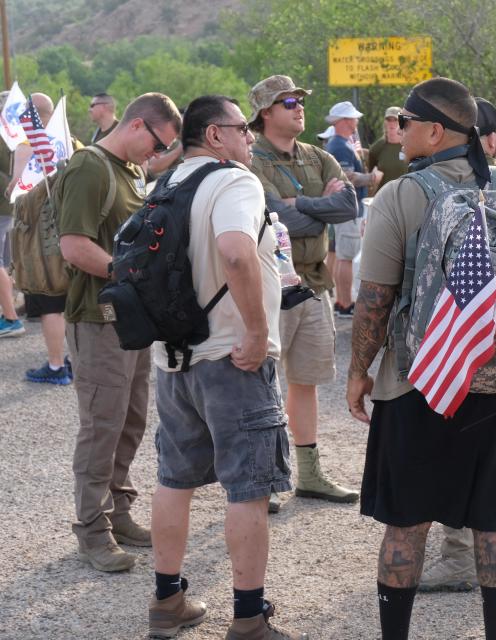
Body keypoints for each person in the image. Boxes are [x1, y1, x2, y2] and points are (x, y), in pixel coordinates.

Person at [346, 76, 496, 640]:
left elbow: (374, 298)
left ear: (436, 130)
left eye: (407, 123)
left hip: (418, 384)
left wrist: (358, 372)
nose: (398, 132)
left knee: (405, 526)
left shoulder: (399, 194)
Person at [146, 94, 305, 640]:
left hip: (174, 359)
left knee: (174, 480)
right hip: (233, 359)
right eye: (242, 128)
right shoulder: (233, 181)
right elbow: (236, 252)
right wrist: (258, 333)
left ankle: (167, 602)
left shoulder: (161, 185)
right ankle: (249, 618)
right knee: (249, 489)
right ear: (214, 135)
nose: (250, 138)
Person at [57, 92, 181, 571]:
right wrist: (129, 275)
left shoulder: (130, 169)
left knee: (129, 421)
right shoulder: (90, 167)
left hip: (129, 320)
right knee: (101, 425)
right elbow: (73, 247)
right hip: (97, 318)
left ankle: (119, 511)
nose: (156, 156)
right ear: (136, 125)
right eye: (156, 144)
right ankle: (92, 530)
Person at [248, 75, 360, 513]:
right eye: (288, 101)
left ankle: (309, 473)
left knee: (306, 380)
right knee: (263, 381)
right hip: (270, 286)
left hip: (314, 284)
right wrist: (315, 209)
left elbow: (348, 207)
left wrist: (300, 206)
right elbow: (274, 218)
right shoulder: (251, 161)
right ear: (265, 113)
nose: (299, 107)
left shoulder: (317, 155)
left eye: (300, 100)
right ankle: (267, 475)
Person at [415, 96, 496, 595]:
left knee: (466, 477)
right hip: (480, 361)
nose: (492, 140)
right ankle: (462, 560)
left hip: (462, 361)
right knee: (482, 482)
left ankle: (462, 561)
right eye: (487, 132)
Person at [7, 93, 74, 383]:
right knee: (69, 301)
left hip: (39, 236)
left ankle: (56, 365)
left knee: (49, 302)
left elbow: (14, 191)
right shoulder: (72, 143)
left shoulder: (26, 146)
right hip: (69, 229)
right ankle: (72, 359)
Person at [325, 101, 382, 317]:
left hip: (346, 208)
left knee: (343, 256)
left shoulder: (338, 144)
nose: (356, 122)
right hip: (348, 208)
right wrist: (372, 178)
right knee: (346, 256)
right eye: (353, 118)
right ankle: (345, 303)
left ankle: (342, 301)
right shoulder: (339, 145)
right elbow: (347, 177)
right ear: (346, 121)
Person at [0, 90, 24, 339]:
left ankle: (11, 318)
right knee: (5, 264)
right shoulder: (15, 135)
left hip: (3, 206)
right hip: (9, 205)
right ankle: (8, 313)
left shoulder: (9, 135)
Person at [368, 106, 409, 189]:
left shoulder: (410, 145)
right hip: (383, 198)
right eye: (389, 120)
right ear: (385, 122)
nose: (392, 123)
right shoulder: (377, 148)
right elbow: (369, 174)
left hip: (405, 196)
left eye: (396, 120)